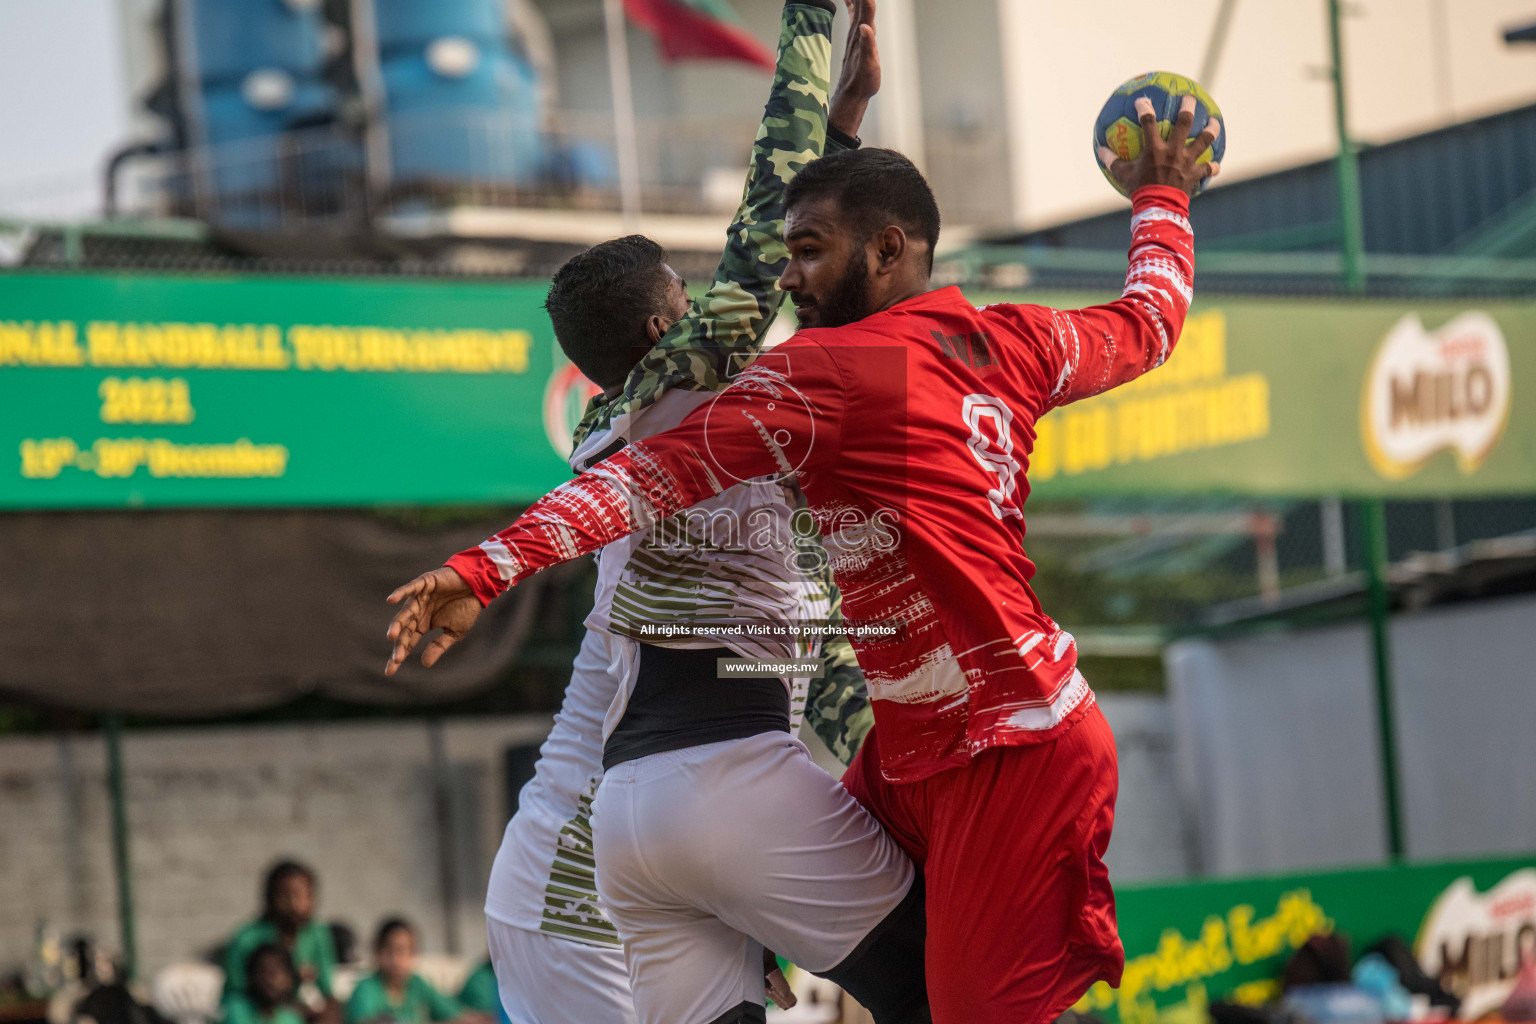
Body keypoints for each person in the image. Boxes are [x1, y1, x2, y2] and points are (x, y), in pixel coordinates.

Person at [385, 94, 1220, 1022]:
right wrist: (1161, 198)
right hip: (904, 750)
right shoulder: (1014, 340)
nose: (785, 280)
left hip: (1004, 744)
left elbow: (642, 480)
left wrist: (484, 567)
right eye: (789, 254)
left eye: (811, 253)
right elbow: (1147, 325)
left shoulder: (821, 377)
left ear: (889, 250)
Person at [403, 4, 925, 1024]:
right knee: (951, 981)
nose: (731, 308)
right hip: (579, 876)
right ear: (660, 332)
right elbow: (764, 244)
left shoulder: (703, 443)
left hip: (641, 823)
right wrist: (813, 36)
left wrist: (845, 141)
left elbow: (796, 259)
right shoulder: (668, 393)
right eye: (691, 302)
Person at [225, 861, 339, 1014]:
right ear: (270, 897)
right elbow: (237, 992)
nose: (294, 904)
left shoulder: (318, 934)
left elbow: (327, 990)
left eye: (301, 895)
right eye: (285, 895)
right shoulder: (246, 939)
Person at [344, 919, 481, 1024]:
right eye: (389, 951)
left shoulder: (417, 984)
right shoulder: (366, 990)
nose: (395, 960)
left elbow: (456, 1014)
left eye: (402, 951)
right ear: (377, 952)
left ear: (413, 953)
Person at [223, 945, 307, 1024]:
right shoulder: (236, 1007)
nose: (269, 978)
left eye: (276, 971)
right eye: (262, 971)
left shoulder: (291, 1018)